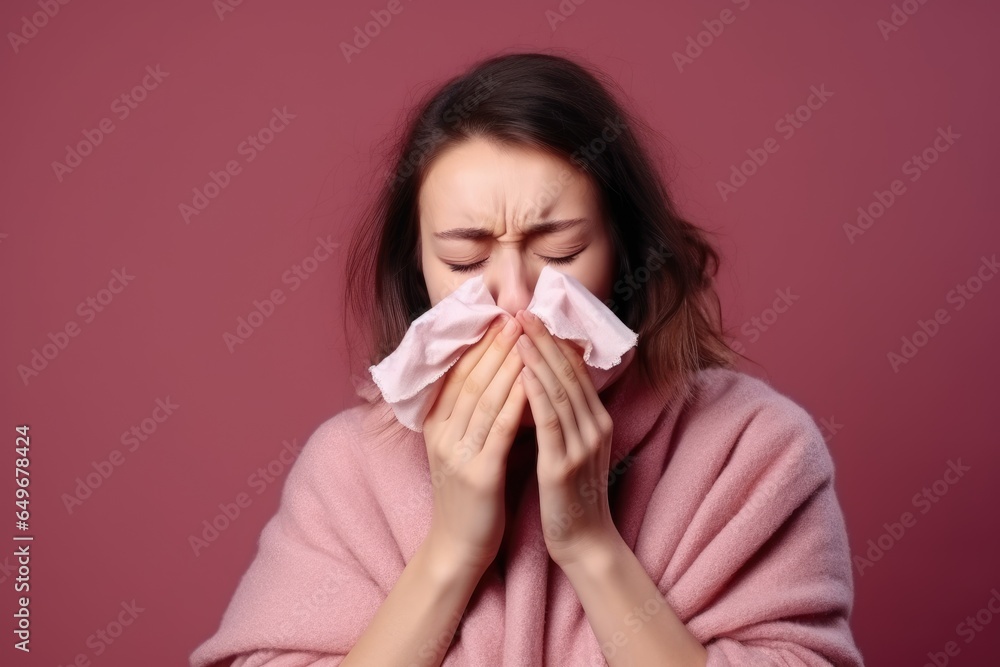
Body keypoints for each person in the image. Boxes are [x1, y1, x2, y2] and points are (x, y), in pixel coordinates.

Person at [190, 50, 864, 666]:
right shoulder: (349, 468)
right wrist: (450, 552)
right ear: (418, 270)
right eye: (464, 259)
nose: (514, 298)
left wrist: (592, 544)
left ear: (625, 251)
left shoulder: (753, 449)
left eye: (561, 252)